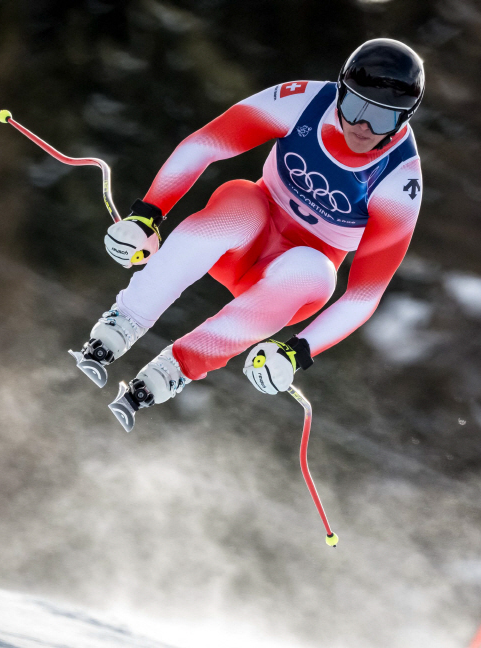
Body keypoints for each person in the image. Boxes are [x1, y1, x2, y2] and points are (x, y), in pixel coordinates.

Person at [71, 38, 426, 431]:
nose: (363, 126)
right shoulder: (303, 101)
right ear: (339, 89)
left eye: (383, 118)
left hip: (290, 281)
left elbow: (364, 295)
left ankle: (176, 367)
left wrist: (296, 352)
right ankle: (123, 322)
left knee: (316, 272)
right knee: (240, 204)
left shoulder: (399, 181)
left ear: (405, 119)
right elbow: (205, 145)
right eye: (356, 106)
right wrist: (147, 216)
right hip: (247, 233)